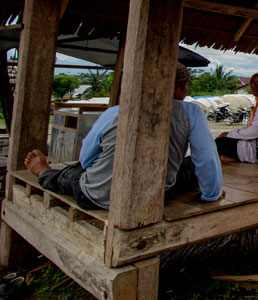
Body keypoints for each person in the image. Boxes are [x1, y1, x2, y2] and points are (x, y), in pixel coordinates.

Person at [24, 63, 223, 210]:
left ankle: (45, 172)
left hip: (99, 196)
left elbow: (86, 158)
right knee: (191, 167)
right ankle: (45, 172)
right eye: (187, 85)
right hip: (155, 195)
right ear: (179, 88)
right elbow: (206, 158)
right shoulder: (191, 113)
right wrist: (211, 195)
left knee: (72, 174)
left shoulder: (116, 111)